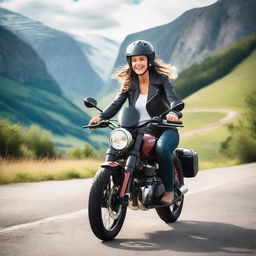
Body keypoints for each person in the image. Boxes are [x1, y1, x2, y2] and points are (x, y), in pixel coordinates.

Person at [89, 40, 184, 205]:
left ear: (149, 60)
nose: (137, 63)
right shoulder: (130, 83)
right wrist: (102, 117)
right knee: (118, 144)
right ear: (130, 62)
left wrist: (174, 113)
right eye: (134, 60)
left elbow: (172, 99)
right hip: (136, 129)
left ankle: (169, 191)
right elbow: (117, 103)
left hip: (162, 128)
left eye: (141, 59)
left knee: (161, 149)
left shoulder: (161, 80)